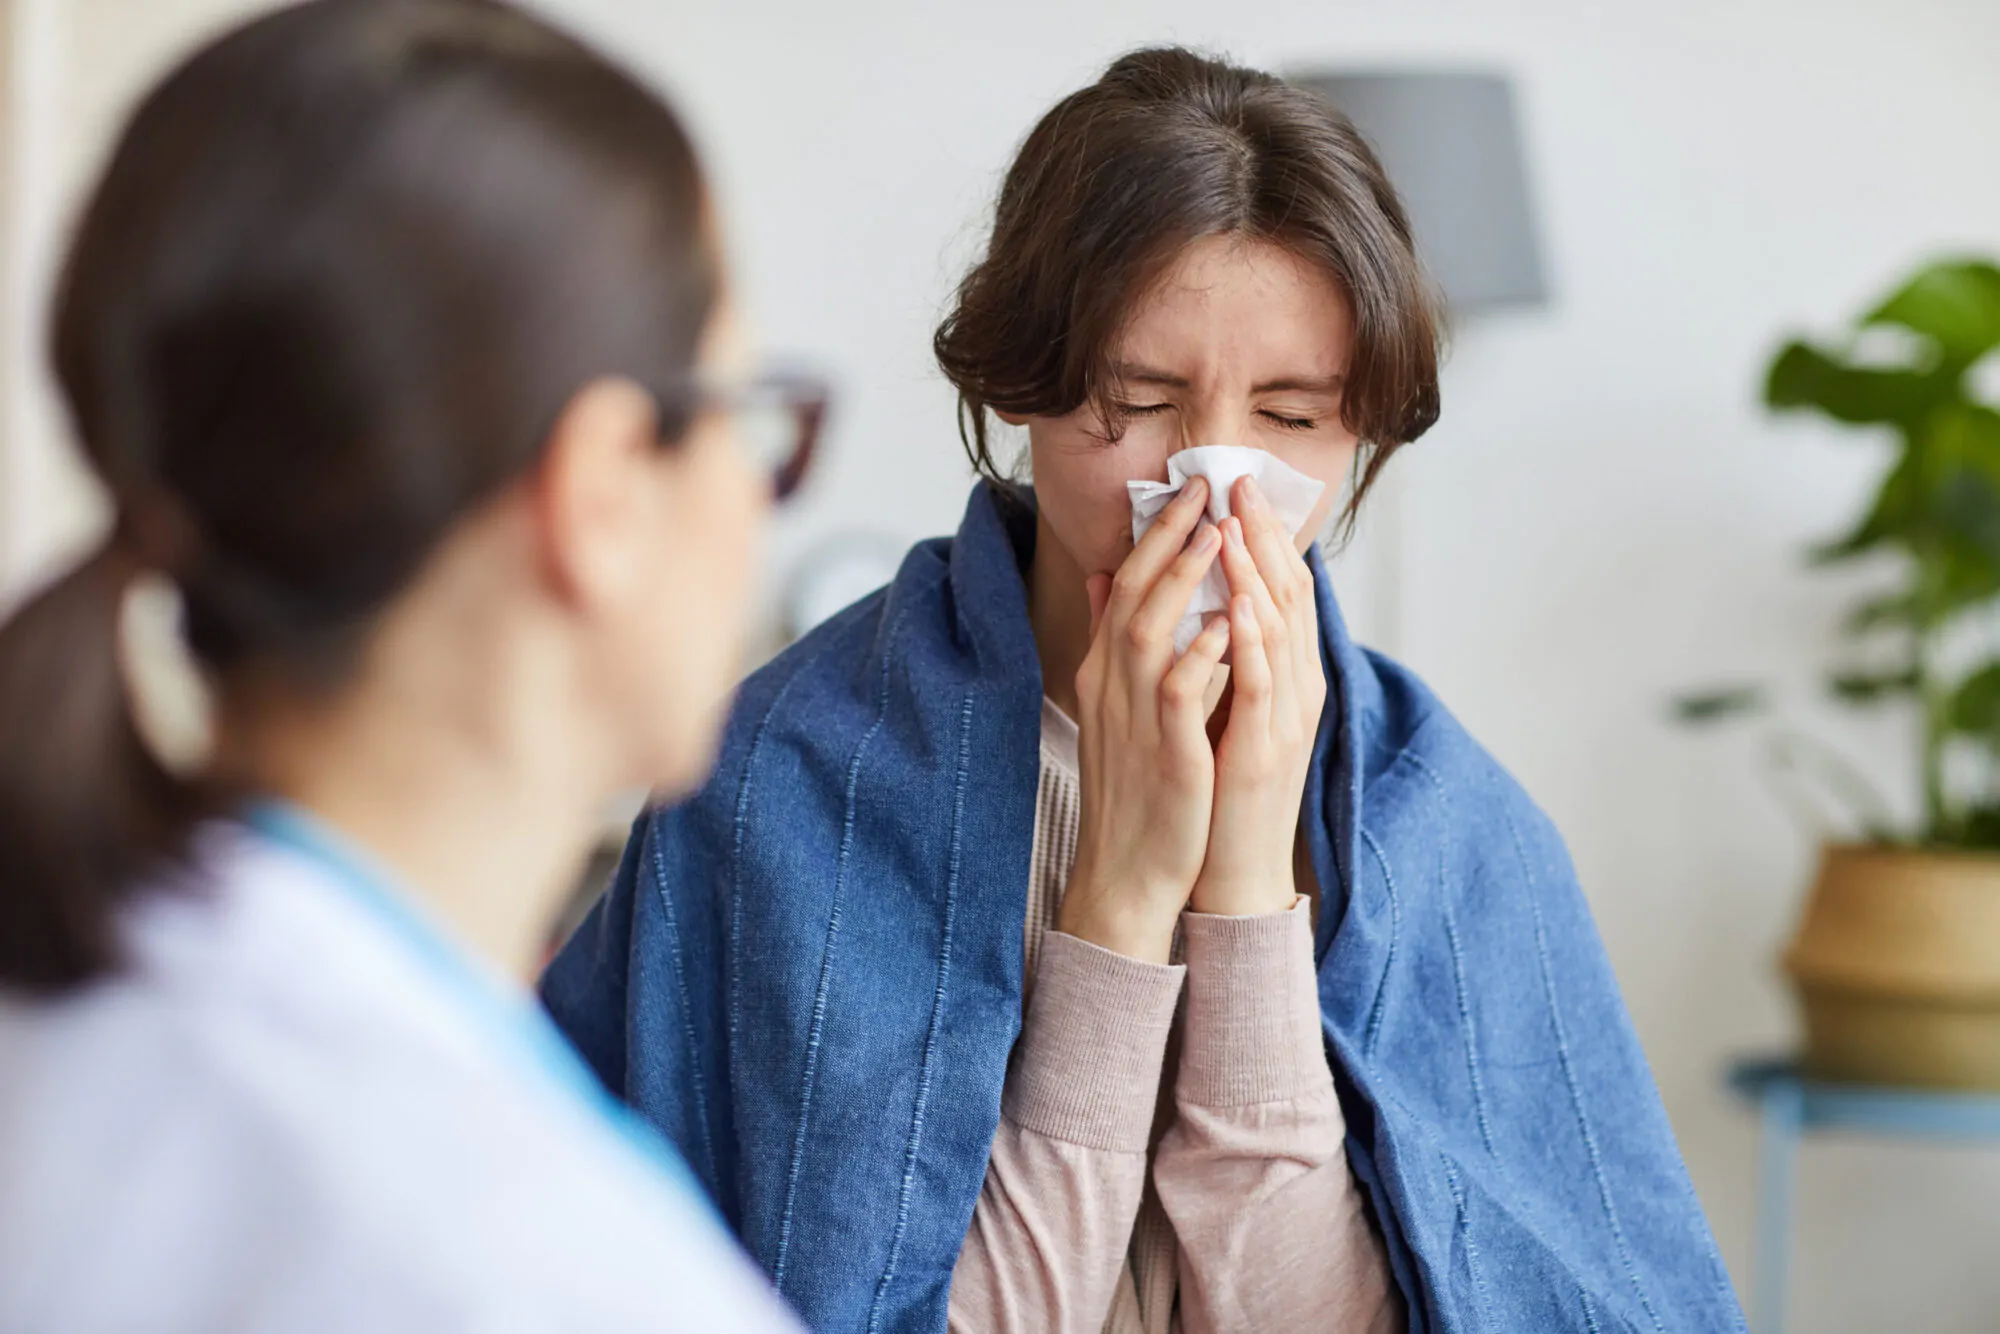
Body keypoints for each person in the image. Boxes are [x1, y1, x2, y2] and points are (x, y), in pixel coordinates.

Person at [542, 47, 1747, 1334]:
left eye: (1289, 416)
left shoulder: (1441, 813)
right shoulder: (782, 775)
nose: (1212, 486)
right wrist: (1115, 905)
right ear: (1016, 384)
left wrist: (1241, 896)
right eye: (1137, 400)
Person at [0, 2, 821, 1330]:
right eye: (744, 415)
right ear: (603, 490)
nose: (755, 498)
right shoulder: (552, 1267)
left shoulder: (82, 999)